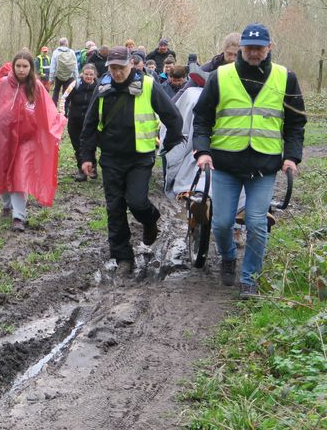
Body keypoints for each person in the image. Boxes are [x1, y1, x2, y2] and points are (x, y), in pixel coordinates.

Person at [193, 24, 305, 298]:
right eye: (249, 47)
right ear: (241, 47)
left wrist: (291, 157)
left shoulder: (285, 78)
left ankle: (249, 279)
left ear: (269, 47)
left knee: (256, 222)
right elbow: (202, 119)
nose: (254, 53)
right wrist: (202, 151)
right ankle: (228, 257)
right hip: (225, 164)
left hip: (263, 166)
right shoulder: (221, 76)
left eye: (259, 47)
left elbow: (295, 124)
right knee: (220, 223)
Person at [79, 46, 184, 277]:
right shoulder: (103, 87)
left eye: (121, 68)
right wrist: (86, 157)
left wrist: (172, 141)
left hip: (140, 157)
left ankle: (151, 218)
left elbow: (172, 115)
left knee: (137, 202)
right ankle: (123, 257)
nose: (117, 72)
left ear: (131, 65)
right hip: (111, 157)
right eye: (112, 68)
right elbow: (89, 124)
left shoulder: (148, 85)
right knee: (114, 208)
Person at [0, 51, 65, 231]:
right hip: (3, 138)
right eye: (18, 66)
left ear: (31, 68)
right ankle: (6, 206)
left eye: (25, 66)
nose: (22, 70)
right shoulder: (2, 84)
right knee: (3, 171)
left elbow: (47, 111)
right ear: (13, 66)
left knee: (19, 175)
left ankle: (19, 217)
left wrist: (58, 123)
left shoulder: (37, 87)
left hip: (26, 141)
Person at [64, 63, 99, 181]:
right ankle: (81, 171)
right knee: (78, 146)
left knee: (90, 146)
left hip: (91, 123)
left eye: (91, 74)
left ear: (95, 75)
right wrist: (63, 114)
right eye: (86, 74)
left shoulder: (99, 87)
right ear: (82, 74)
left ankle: (92, 168)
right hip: (74, 121)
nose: (88, 76)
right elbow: (64, 98)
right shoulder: (75, 84)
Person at [49, 37, 80, 105]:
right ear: (67, 44)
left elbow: (52, 67)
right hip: (69, 76)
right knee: (66, 94)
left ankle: (53, 107)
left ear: (59, 44)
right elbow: (75, 66)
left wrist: (51, 79)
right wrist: (76, 78)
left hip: (58, 76)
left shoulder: (56, 52)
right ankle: (64, 110)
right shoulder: (72, 52)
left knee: (56, 91)